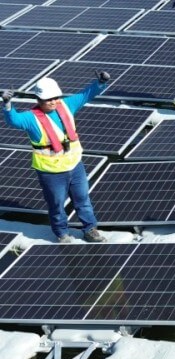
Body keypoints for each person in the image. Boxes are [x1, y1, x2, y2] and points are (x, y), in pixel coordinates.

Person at [2, 73, 112, 243]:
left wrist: (101, 82)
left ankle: (90, 229)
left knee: (83, 200)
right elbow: (14, 121)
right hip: (51, 172)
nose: (53, 101)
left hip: (75, 165)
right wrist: (8, 105)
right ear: (38, 99)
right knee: (56, 204)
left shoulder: (67, 105)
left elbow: (86, 94)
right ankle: (62, 233)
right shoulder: (31, 119)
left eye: (55, 97)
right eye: (48, 99)